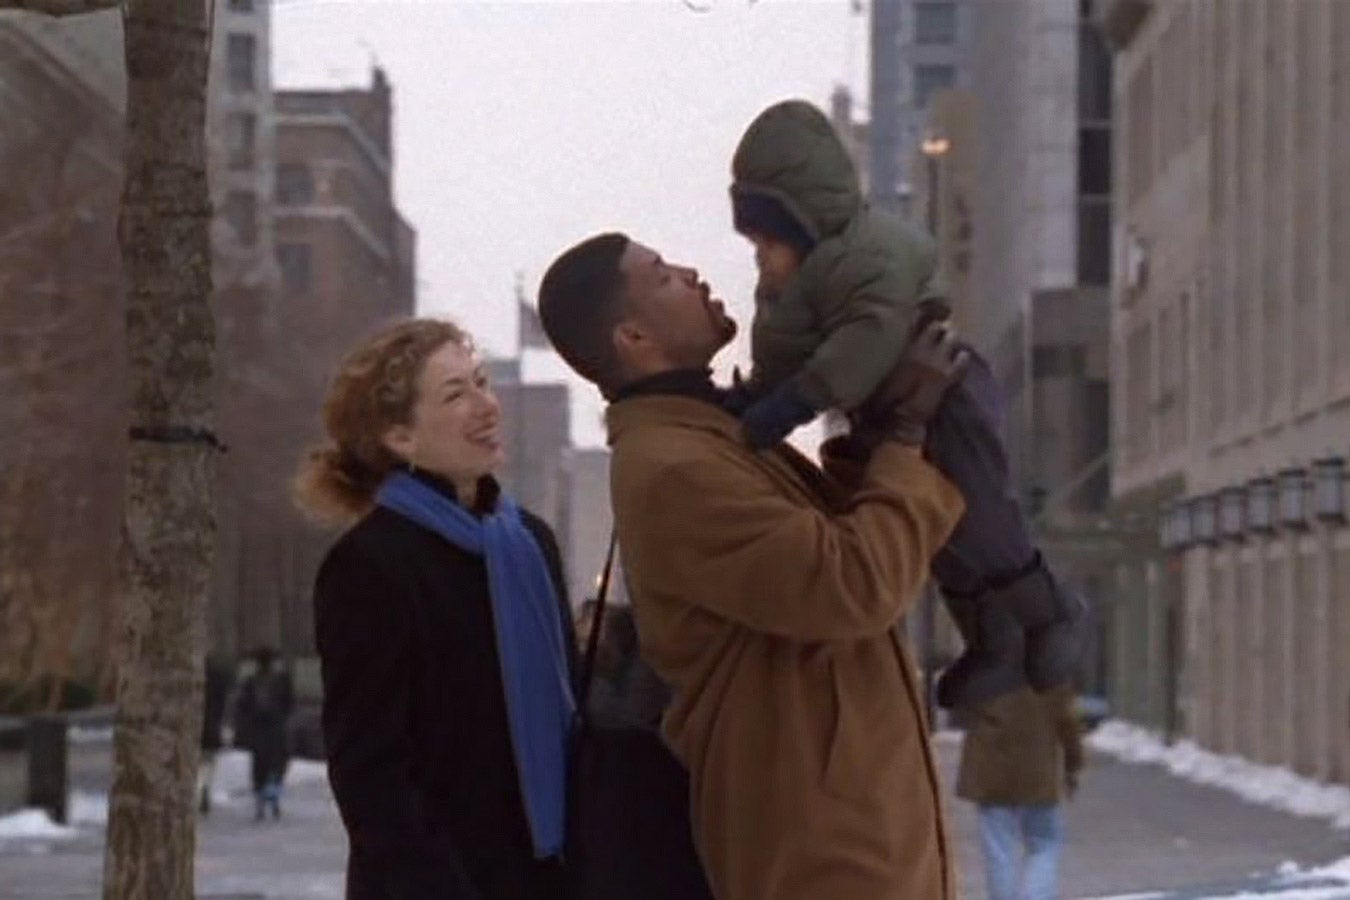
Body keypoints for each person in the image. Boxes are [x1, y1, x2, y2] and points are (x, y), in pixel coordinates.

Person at [538, 232, 969, 900]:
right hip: (818, 843)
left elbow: (835, 533)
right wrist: (906, 436)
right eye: (662, 276)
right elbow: (849, 584)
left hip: (844, 822)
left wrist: (880, 427)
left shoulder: (712, 434)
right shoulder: (674, 466)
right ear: (633, 338)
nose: (691, 270)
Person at [727, 98, 1084, 710]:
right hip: (890, 412)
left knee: (981, 522)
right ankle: (991, 643)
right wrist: (758, 393)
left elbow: (867, 338)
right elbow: (790, 352)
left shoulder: (871, 255)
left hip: (945, 397)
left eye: (768, 241)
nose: (760, 256)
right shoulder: (799, 286)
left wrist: (788, 405)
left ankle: (1048, 613)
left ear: (803, 223)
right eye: (753, 243)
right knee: (939, 538)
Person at [296, 318, 575, 900]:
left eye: (481, 382)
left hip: (549, 877)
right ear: (400, 438)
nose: (487, 406)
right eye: (456, 394)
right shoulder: (370, 565)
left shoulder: (530, 543)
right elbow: (371, 773)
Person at [956, 686, 1084, 900]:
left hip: (991, 772)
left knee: (999, 850)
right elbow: (1067, 720)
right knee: (1044, 844)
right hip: (1037, 772)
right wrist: (1073, 764)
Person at [235, 646, 294, 821]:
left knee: (260, 766)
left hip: (258, 730)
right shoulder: (282, 680)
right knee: (277, 765)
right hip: (275, 728)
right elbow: (289, 703)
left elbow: (242, 706)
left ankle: (261, 801)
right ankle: (273, 798)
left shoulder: (250, 682)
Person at [198, 654, 233, 816]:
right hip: (212, 727)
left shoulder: (192, 680)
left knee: (195, 763)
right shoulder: (219, 679)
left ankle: (198, 789)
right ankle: (205, 785)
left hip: (194, 728)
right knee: (209, 761)